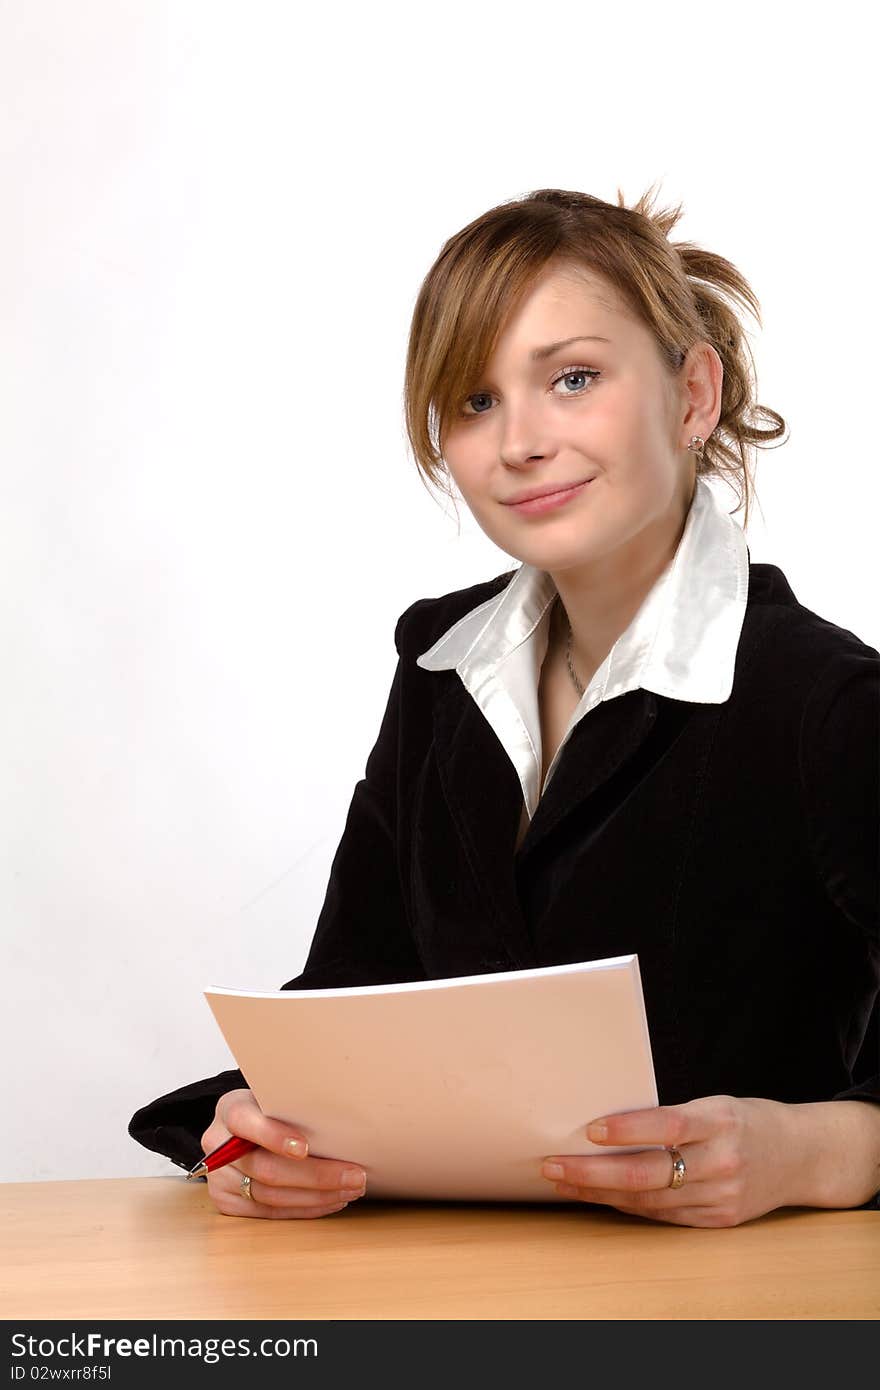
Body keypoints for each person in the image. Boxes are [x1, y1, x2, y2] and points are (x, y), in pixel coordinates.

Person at [129, 183, 880, 1227]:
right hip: (452, 1285)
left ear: (693, 396)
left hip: (734, 1306)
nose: (518, 441)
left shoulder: (825, 703)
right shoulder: (441, 670)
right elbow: (355, 992)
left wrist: (814, 1153)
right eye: (475, 400)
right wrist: (265, 1134)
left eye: (572, 378)